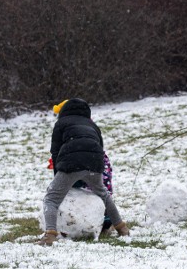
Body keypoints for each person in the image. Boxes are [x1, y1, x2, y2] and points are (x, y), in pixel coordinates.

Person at [37, 98, 130, 246]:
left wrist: (59, 176)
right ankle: (121, 228)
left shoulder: (61, 123)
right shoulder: (92, 125)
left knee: (52, 198)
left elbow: (55, 151)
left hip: (71, 162)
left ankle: (50, 235)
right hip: (95, 161)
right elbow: (100, 146)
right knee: (104, 194)